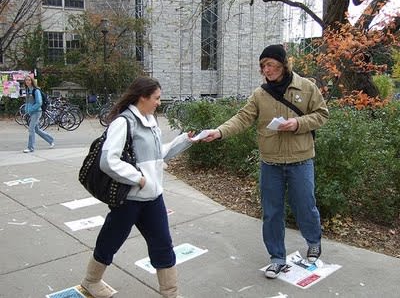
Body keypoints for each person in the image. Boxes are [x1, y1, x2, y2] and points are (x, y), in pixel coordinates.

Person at [203, 44, 329, 279]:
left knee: (305, 206)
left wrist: (298, 124)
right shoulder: (260, 95)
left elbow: (322, 114)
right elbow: (242, 118)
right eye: (263, 66)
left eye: (271, 65)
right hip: (270, 163)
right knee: (271, 213)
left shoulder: (306, 87)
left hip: (300, 160)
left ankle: (313, 242)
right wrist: (219, 131)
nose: (266, 70)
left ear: (283, 65)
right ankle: (277, 258)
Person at [81, 76, 194, 298]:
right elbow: (108, 161)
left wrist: (185, 140)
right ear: (142, 97)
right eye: (156, 98)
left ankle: (171, 293)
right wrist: (138, 178)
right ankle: (91, 281)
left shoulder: (150, 121)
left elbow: (157, 155)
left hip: (153, 199)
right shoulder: (123, 122)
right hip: (129, 200)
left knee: (163, 245)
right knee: (110, 241)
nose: (159, 102)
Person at [23, 75, 54, 153]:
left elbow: (39, 102)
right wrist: (26, 110)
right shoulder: (28, 90)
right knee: (36, 129)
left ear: (32, 81)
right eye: (26, 80)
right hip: (31, 112)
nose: (27, 81)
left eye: (29, 80)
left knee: (31, 129)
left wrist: (30, 109)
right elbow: (28, 102)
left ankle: (30, 148)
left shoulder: (36, 91)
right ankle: (51, 140)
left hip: (37, 112)